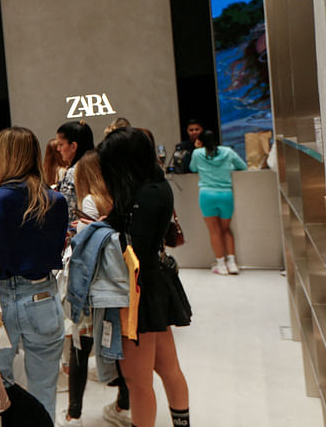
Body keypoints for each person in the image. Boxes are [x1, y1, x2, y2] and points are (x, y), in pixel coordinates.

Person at [0, 127, 69, 422]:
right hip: (43, 296)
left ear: (5, 157)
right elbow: (56, 251)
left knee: (0, 386)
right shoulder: (55, 201)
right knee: (45, 386)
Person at [97, 127, 191, 427]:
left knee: (138, 381)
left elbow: (131, 248)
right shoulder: (155, 186)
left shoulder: (145, 195)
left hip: (137, 292)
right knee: (167, 368)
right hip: (151, 285)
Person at [58, 150, 131, 427]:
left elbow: (88, 249)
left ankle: (73, 414)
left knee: (79, 348)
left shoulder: (88, 201)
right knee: (117, 347)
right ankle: (123, 405)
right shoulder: (117, 198)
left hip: (91, 287)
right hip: (116, 286)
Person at [189, 130, 248, 275]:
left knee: (214, 231)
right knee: (225, 229)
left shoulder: (197, 153)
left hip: (206, 195)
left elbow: (192, 168)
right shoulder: (227, 151)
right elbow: (242, 166)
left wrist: (197, 149)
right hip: (226, 194)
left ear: (200, 142)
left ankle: (221, 265)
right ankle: (232, 263)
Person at [56, 120, 96, 224]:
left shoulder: (73, 172)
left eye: (61, 144)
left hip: (77, 231)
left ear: (73, 146)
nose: (58, 149)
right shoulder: (98, 166)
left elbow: (67, 209)